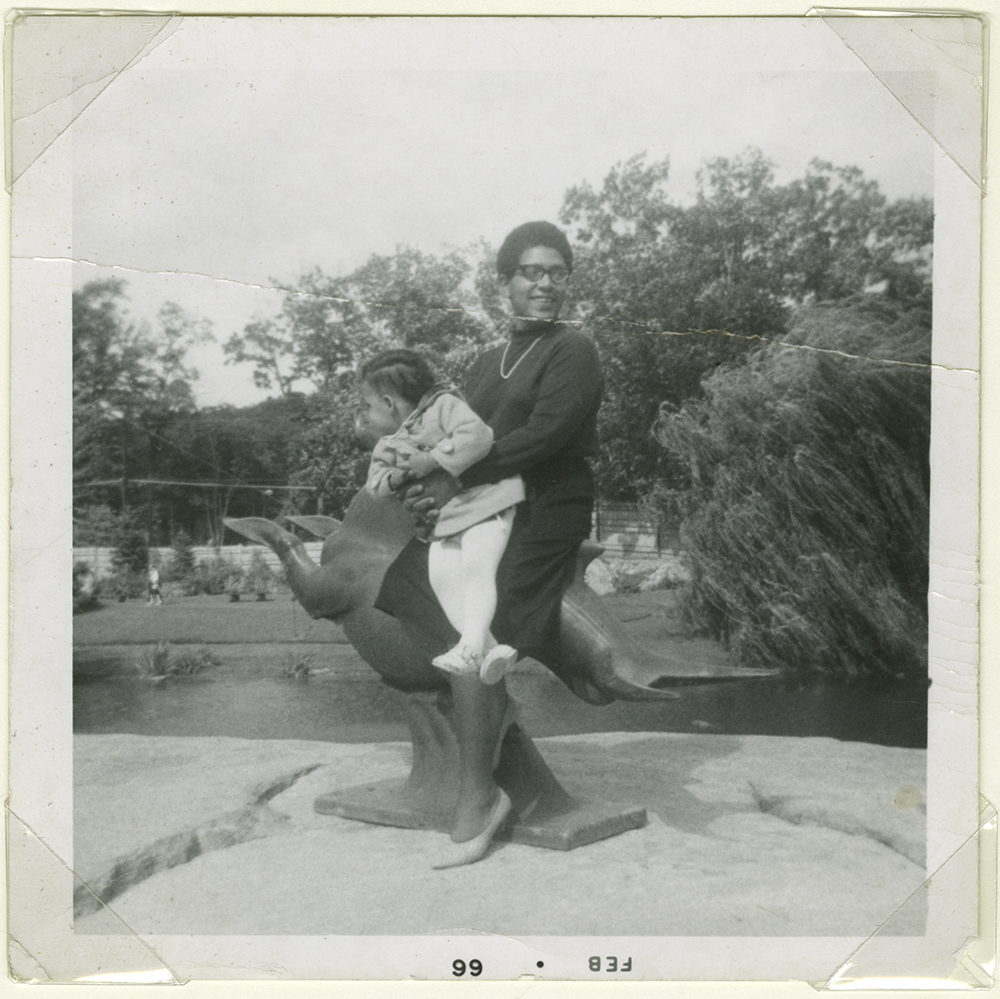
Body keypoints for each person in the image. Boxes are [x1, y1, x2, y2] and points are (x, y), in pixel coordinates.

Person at [375, 221, 604, 868]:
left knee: (486, 620)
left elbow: (546, 434)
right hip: (485, 496)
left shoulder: (574, 349)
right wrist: (427, 485)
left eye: (557, 272)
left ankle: (479, 798)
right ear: (505, 280)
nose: (545, 283)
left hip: (549, 499)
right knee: (406, 582)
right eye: (531, 271)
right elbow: (455, 436)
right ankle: (489, 734)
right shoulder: (483, 362)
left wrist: (448, 473)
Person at [359, 349, 522, 683]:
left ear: (389, 403)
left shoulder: (444, 406)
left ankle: (470, 648)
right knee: (443, 579)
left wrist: (432, 459)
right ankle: (492, 649)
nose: (365, 415)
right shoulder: (387, 445)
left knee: (477, 567)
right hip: (445, 520)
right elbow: (374, 485)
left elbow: (479, 436)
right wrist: (393, 478)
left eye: (368, 406)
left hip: (485, 502)